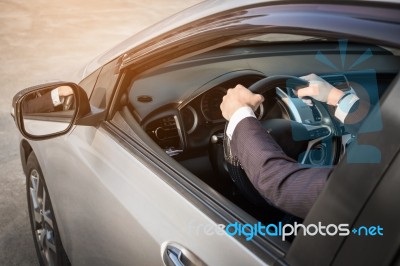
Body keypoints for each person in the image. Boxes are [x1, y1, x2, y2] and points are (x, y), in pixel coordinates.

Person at [220, 74, 368, 219]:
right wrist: (336, 98)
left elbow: (281, 186)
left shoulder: (367, 185)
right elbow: (386, 132)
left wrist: (239, 117)